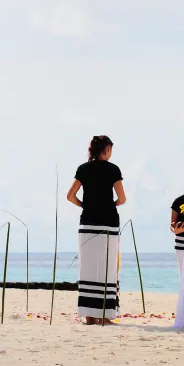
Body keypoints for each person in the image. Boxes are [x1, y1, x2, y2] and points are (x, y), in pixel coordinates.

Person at [66, 135, 126, 325]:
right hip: (108, 224)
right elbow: (122, 199)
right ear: (107, 149)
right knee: (107, 268)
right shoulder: (113, 169)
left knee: (88, 268)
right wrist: (110, 205)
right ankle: (104, 316)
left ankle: (89, 316)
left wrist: (86, 206)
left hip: (87, 224)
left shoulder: (83, 169)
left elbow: (70, 196)